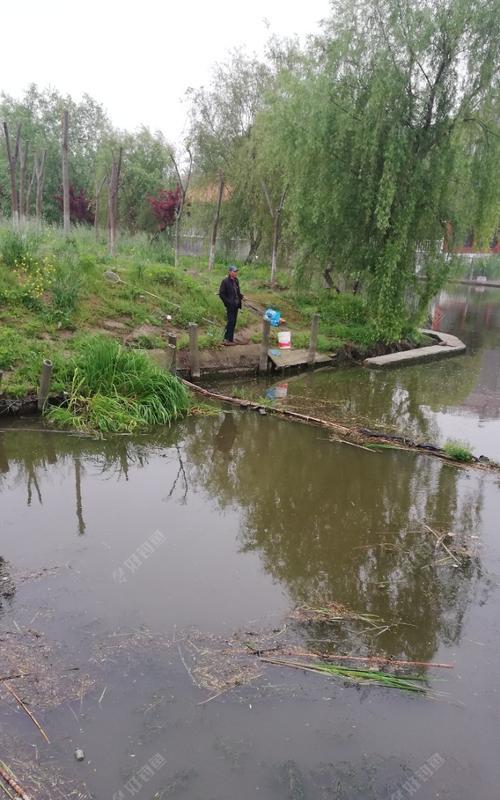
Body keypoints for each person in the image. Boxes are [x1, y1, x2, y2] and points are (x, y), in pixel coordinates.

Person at [219, 265, 243, 345]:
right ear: (229, 272)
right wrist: (228, 302)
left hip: (236, 305)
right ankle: (226, 339)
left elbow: (237, 292)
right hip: (230, 305)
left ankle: (231, 339)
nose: (236, 273)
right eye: (234, 271)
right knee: (230, 321)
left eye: (236, 271)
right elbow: (221, 294)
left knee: (234, 322)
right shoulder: (225, 281)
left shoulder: (236, 280)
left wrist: (241, 296)